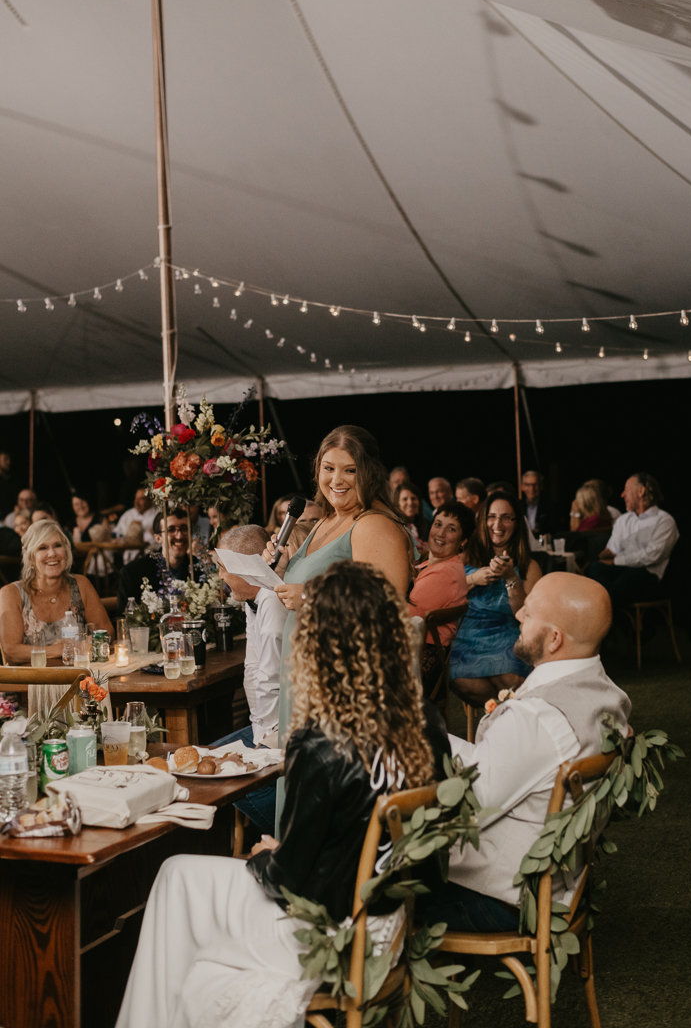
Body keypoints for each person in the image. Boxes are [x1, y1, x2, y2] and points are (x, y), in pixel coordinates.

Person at [115, 560, 449, 1028]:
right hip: (387, 920)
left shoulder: (324, 741)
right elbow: (415, 854)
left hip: (327, 931)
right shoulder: (428, 723)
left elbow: (290, 880)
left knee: (176, 879)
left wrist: (269, 856)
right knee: (182, 884)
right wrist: (285, 856)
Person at [417, 572, 631, 932]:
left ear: (554, 639)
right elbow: (504, 765)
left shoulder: (537, 718)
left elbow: (467, 805)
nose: (518, 616)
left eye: (528, 614)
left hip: (505, 897)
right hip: (559, 882)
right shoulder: (607, 696)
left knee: (360, 874)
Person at [265, 426, 415, 826]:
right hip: (307, 672)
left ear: (369, 473)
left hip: (344, 681)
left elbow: (388, 608)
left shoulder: (372, 525)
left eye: (349, 470)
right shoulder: (323, 523)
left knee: (330, 792)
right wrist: (280, 568)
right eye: (328, 468)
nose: (337, 480)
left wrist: (311, 598)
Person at [212, 524, 287, 835]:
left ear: (245, 568)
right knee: (210, 758)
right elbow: (252, 669)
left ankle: (291, 839)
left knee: (227, 777)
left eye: (222, 568)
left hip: (282, 727)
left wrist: (259, 749)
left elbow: (271, 683)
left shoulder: (273, 604)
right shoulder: (252, 600)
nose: (220, 577)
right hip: (263, 724)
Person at [450, 492, 542, 708]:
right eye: (491, 516)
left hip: (506, 633)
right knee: (458, 677)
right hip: (467, 635)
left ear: (516, 522)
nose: (497, 524)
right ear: (483, 520)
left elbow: (525, 615)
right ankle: (512, 715)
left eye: (506, 517)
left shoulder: (529, 566)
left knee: (513, 680)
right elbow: (445, 592)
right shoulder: (464, 557)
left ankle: (505, 720)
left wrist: (511, 578)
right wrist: (474, 578)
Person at [0, 519, 114, 665]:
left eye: (57, 546)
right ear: (30, 557)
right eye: (42, 548)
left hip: (81, 679)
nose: (52, 553)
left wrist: (78, 645)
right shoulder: (11, 593)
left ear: (66, 551)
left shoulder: (81, 584)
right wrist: (64, 649)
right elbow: (11, 652)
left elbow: (107, 632)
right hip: (30, 683)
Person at [587, 473, 679, 613]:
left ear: (641, 491)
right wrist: (601, 556)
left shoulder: (664, 521)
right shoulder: (623, 520)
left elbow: (651, 556)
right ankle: (611, 620)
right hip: (620, 570)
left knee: (618, 585)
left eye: (627, 490)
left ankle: (601, 621)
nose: (622, 495)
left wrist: (615, 561)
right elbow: (613, 549)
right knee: (595, 569)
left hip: (647, 573)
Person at [409, 500, 474, 693]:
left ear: (463, 541)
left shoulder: (445, 574)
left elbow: (407, 617)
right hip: (419, 654)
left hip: (420, 664)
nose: (440, 533)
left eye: (451, 529)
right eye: (438, 524)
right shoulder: (432, 566)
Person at [116, 507, 191, 615]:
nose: (179, 536)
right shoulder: (133, 573)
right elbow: (123, 619)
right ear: (158, 537)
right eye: (171, 530)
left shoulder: (200, 570)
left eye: (184, 529)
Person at [396, 481, 431, 555]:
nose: (410, 502)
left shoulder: (427, 525)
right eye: (405, 499)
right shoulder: (394, 527)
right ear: (397, 504)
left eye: (413, 498)